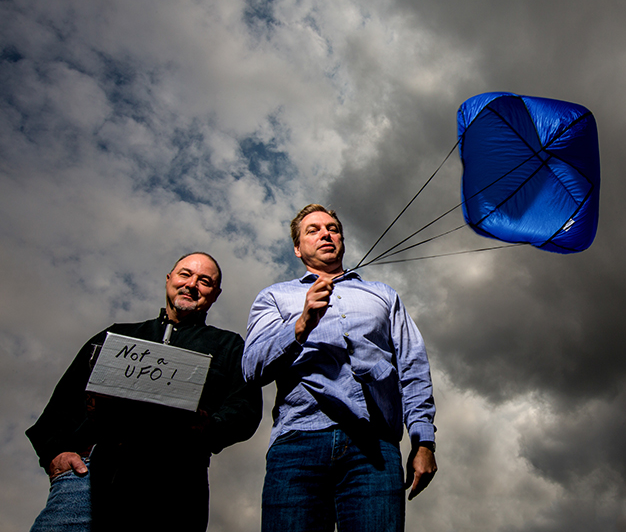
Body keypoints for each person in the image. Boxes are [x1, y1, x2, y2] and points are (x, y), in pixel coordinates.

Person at [26, 252, 263, 532]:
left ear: (215, 294)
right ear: (169, 279)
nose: (191, 285)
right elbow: (65, 401)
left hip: (175, 487)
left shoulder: (229, 346)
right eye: (185, 274)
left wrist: (210, 426)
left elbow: (245, 408)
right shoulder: (116, 336)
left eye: (204, 281)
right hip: (88, 481)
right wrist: (55, 452)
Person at [243, 204, 437, 532]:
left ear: (342, 240)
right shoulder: (275, 297)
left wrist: (424, 441)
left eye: (332, 228)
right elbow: (252, 368)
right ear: (297, 247)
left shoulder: (384, 295)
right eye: (313, 230)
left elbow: (412, 366)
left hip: (374, 447)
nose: (325, 234)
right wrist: (301, 324)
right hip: (297, 443)